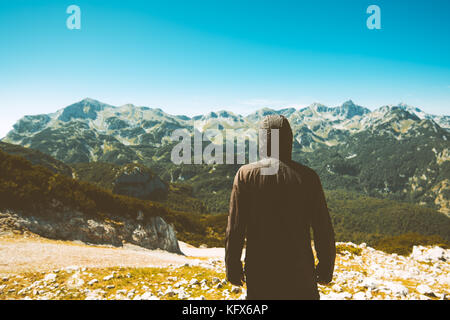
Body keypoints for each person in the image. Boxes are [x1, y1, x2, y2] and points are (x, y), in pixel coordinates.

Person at [225, 114, 336, 300]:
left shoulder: (245, 175)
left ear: (262, 140)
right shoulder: (308, 177)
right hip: (301, 271)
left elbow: (235, 229)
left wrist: (233, 268)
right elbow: (322, 228)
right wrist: (325, 268)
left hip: (260, 271)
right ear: (289, 139)